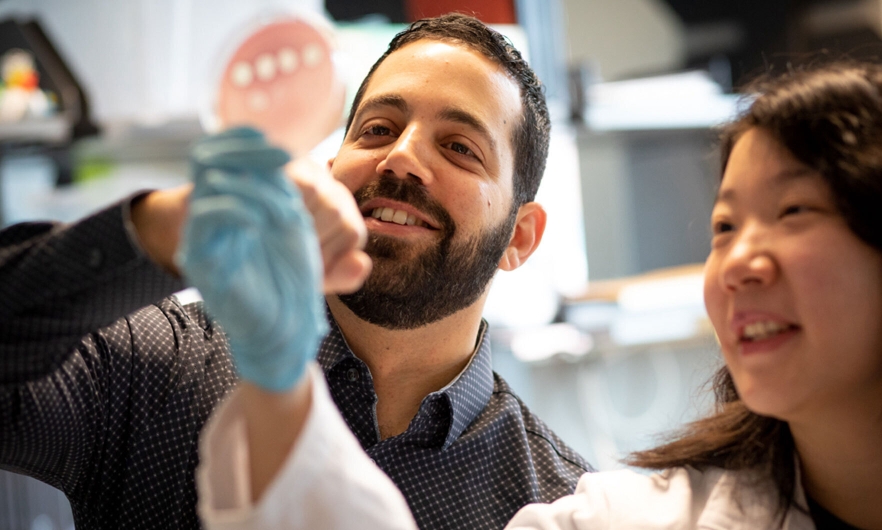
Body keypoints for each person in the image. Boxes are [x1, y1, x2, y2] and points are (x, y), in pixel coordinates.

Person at [198, 61, 882, 530]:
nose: (737, 263)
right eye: (724, 226)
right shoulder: (610, 518)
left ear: (521, 236)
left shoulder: (539, 475)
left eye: (793, 213)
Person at [0, 13, 591, 530]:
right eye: (378, 129)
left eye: (461, 146)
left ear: (519, 236)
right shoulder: (154, 363)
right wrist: (163, 228)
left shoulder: (557, 503)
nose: (401, 157)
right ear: (332, 168)